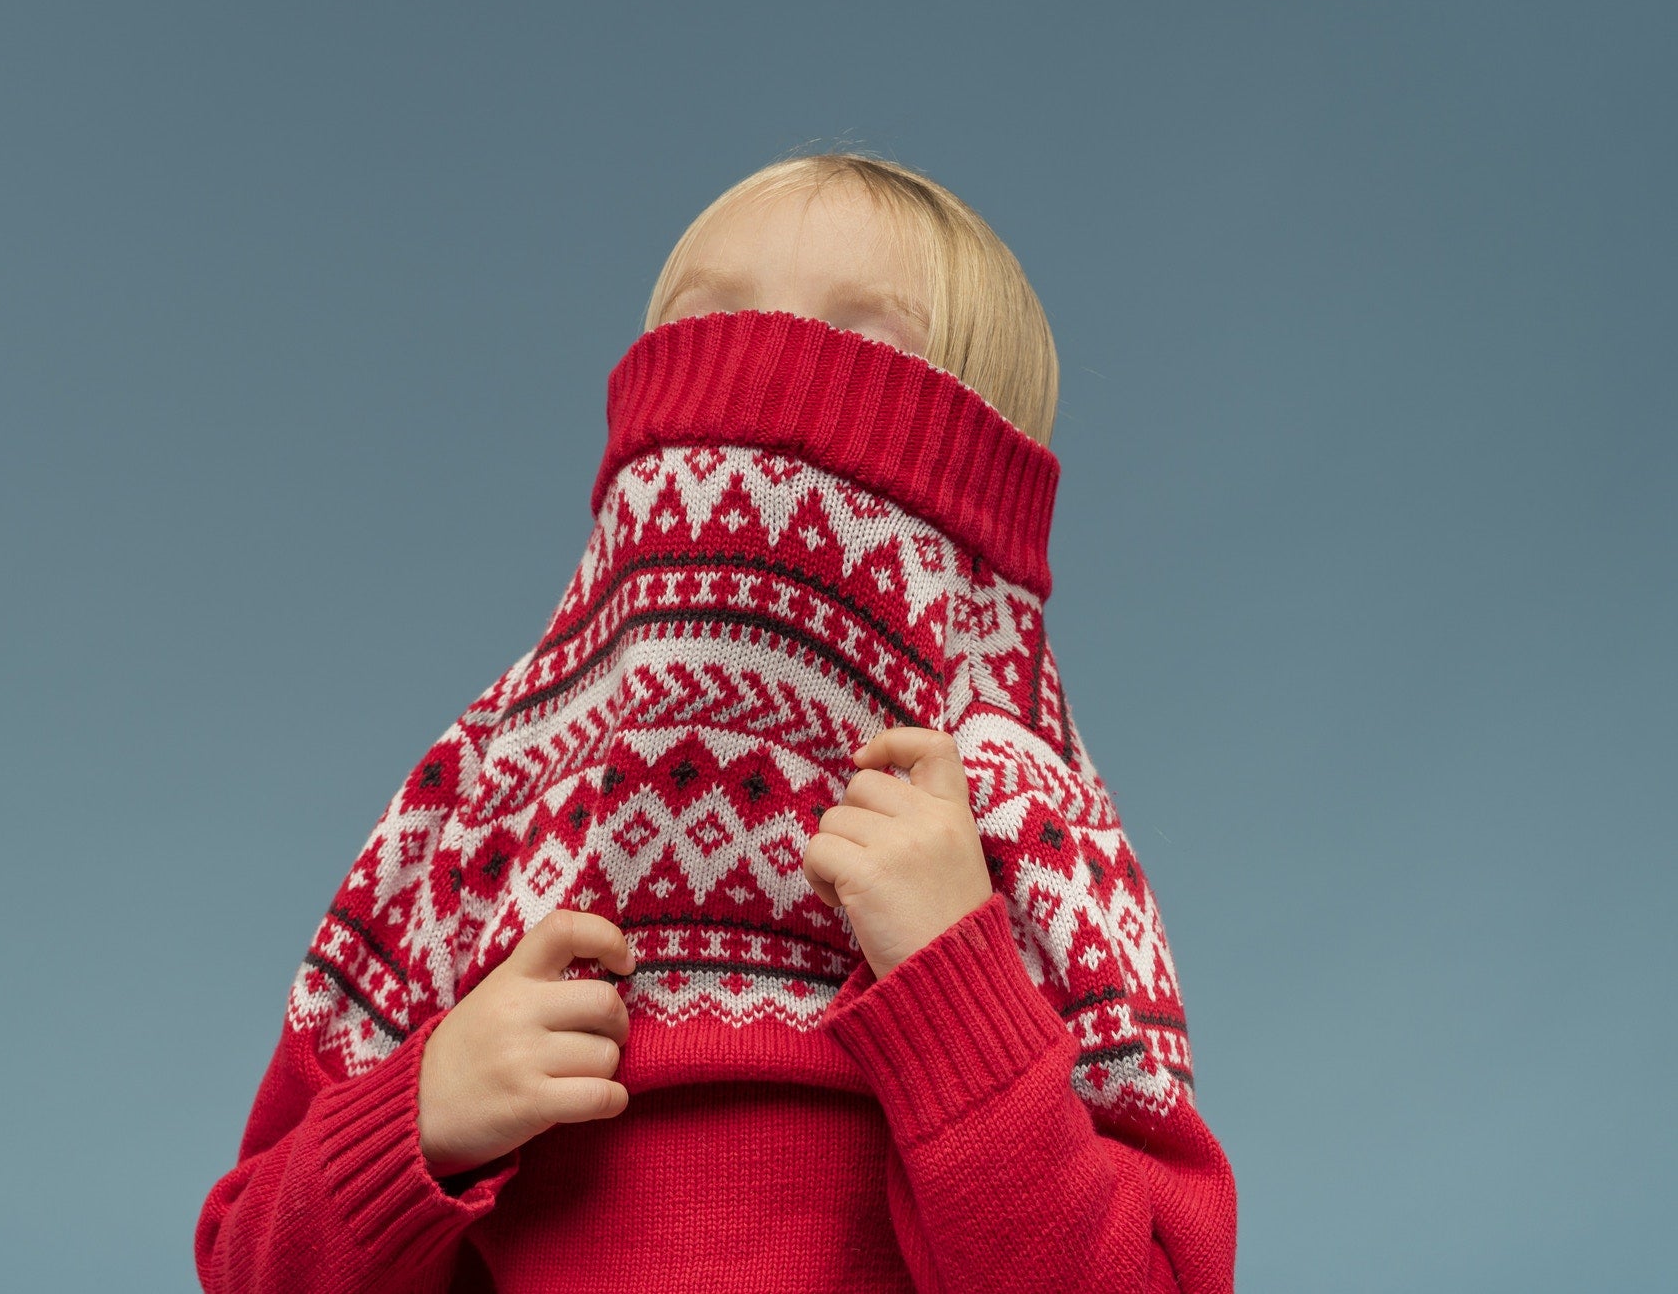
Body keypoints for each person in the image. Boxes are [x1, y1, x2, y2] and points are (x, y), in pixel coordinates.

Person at [194, 152, 1239, 1293]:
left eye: (858, 355)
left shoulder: (1036, 861)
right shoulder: (480, 821)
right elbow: (248, 1265)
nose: (759, 408)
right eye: (706, 335)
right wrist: (416, 1122)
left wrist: (958, 991)